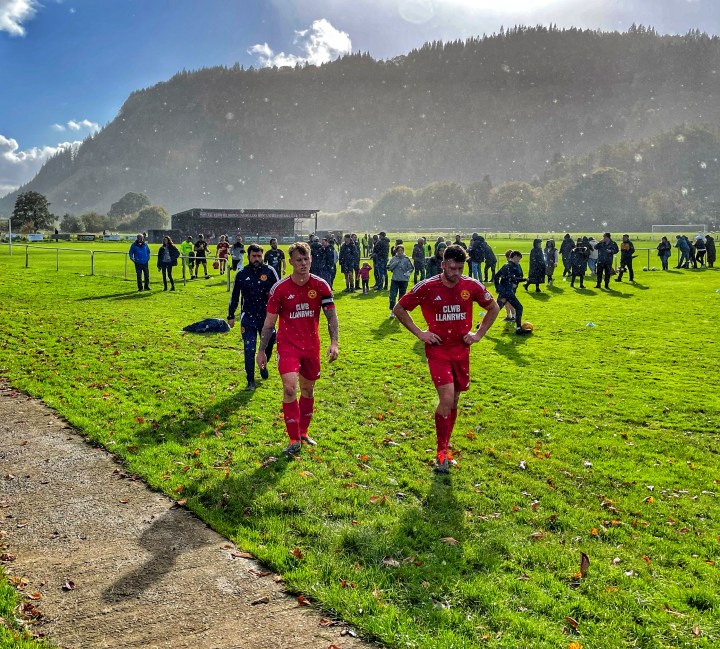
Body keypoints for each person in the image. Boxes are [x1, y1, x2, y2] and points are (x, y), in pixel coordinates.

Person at [394, 245, 500, 474]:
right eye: (452, 267)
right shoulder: (428, 286)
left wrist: (478, 334)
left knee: (454, 402)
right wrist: (421, 333)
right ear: (443, 264)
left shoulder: (471, 286)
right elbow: (400, 308)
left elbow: (493, 307)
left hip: (461, 351)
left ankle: (446, 447)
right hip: (438, 351)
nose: (456, 272)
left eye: (460, 268)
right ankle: (441, 451)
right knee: (447, 397)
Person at [257, 242, 339, 456]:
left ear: (311, 259)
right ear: (291, 262)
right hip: (288, 346)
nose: (303, 264)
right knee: (290, 389)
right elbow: (269, 323)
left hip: (311, 346)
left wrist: (334, 343)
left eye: (306, 259)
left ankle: (303, 432)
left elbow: (331, 317)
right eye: (298, 260)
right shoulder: (280, 289)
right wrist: (261, 350)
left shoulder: (321, 286)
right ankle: (293, 439)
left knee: (308, 390)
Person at [228, 244, 279, 391]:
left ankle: (263, 364)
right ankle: (250, 380)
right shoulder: (242, 273)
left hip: (266, 317)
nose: (257, 259)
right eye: (254, 256)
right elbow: (234, 296)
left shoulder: (270, 271)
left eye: (259, 256)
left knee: (269, 344)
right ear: (249, 256)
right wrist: (231, 315)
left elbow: (279, 292)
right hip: (248, 317)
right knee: (249, 348)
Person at [494, 251, 532, 335]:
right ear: (514, 257)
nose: (518, 262)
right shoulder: (510, 266)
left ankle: (481, 325)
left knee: (495, 309)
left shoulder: (506, 265)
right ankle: (518, 329)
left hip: (504, 291)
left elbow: (496, 276)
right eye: (518, 260)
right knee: (519, 307)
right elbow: (512, 278)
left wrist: (498, 288)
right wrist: (525, 279)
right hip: (507, 291)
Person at [387, 244, 414, 318]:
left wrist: (406, 274)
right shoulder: (393, 259)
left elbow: (411, 268)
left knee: (401, 297)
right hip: (395, 279)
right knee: (392, 296)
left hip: (403, 280)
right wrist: (395, 263)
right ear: (396, 251)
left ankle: (399, 311)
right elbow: (389, 268)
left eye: (401, 250)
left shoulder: (406, 259)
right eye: (399, 250)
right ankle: (392, 311)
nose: (400, 252)